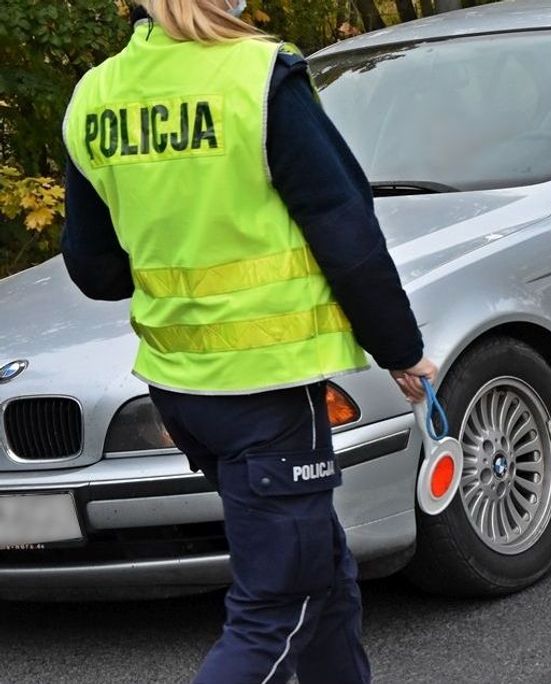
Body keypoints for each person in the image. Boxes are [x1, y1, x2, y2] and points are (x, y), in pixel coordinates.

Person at [60, 1, 436, 681]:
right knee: (276, 608)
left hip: (179, 390)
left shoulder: (97, 96)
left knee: (323, 576)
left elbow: (93, 268)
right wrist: (401, 351)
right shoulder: (259, 76)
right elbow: (345, 233)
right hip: (265, 389)